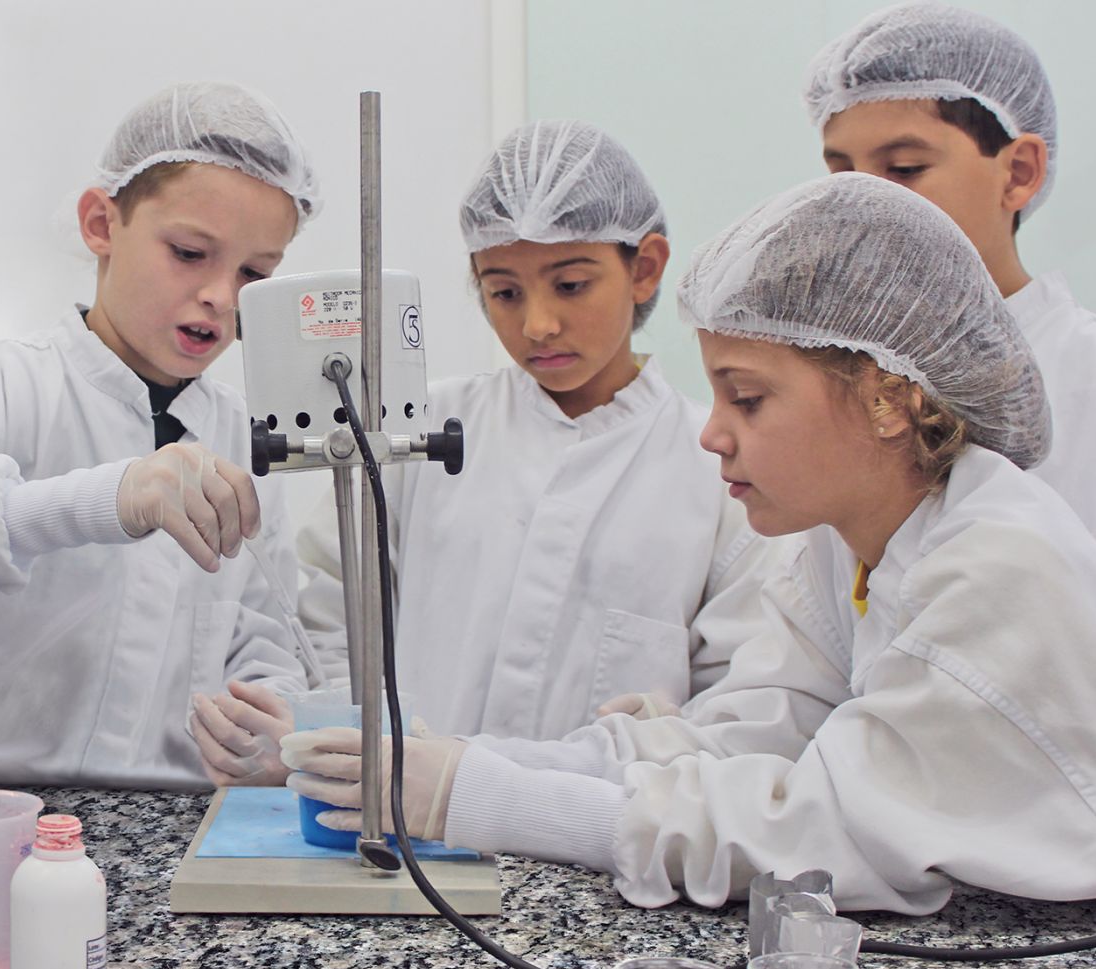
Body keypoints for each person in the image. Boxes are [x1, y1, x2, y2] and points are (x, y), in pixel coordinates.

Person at [282, 174, 1096, 931]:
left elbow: (804, 832)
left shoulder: (994, 568)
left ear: (889, 397)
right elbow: (752, 736)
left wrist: (474, 796)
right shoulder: (843, 550)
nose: (712, 434)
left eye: (746, 399)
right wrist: (459, 758)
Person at [192, 119, 782, 786]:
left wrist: (667, 732)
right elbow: (334, 620)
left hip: (599, 830)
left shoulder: (718, 472)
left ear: (643, 269)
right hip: (394, 817)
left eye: (571, 285)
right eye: (504, 292)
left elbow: (743, 698)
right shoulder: (412, 429)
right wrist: (339, 741)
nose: (537, 324)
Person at [803, 2, 1096, 719]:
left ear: (1019, 172)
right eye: (842, 175)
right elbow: (807, 668)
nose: (863, 208)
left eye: (905, 169)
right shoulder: (833, 391)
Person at [0, 82, 320, 789]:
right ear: (100, 223)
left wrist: (269, 716)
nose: (221, 296)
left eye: (254, 273)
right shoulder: (14, 384)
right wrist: (95, 502)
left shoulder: (242, 435)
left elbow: (263, 634)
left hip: (166, 822)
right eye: (190, 252)